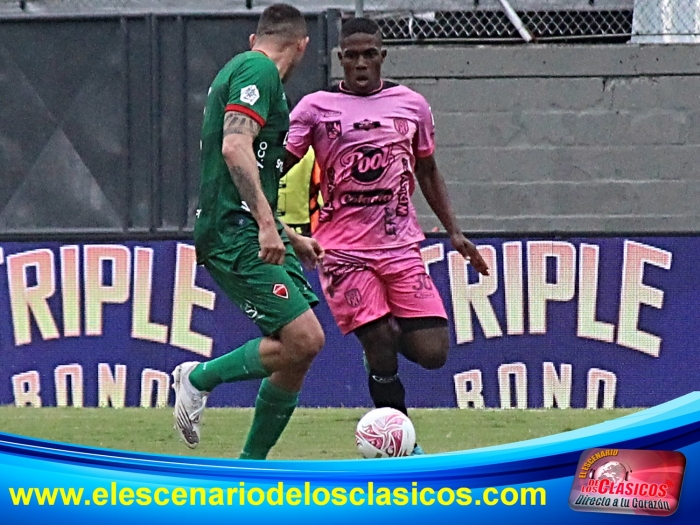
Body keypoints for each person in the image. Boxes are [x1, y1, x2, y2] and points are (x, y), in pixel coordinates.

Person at [285, 17, 489, 454]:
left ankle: (378, 333)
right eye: (351, 56)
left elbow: (427, 170)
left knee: (433, 353)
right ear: (340, 59)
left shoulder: (411, 105)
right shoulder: (314, 108)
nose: (360, 63)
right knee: (378, 343)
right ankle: (401, 450)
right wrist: (277, 225)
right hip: (341, 250)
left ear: (383, 56)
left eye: (369, 54)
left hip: (400, 246)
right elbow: (278, 165)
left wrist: (454, 232)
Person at [172, 4, 326, 460]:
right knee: (305, 338)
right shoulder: (258, 70)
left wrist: (289, 235)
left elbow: (247, 169)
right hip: (234, 231)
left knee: (297, 354)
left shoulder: (251, 72)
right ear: (303, 46)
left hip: (252, 224)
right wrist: (265, 225)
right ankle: (197, 379)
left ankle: (250, 471)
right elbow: (235, 147)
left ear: (254, 36)